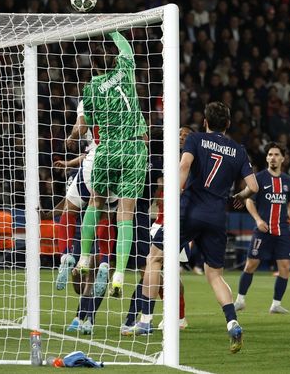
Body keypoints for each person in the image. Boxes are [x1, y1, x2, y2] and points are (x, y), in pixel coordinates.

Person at [125, 102, 258, 354]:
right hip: (217, 217)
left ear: (205, 122)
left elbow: (184, 166)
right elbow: (253, 186)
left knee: (154, 258)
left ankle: (145, 321)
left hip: (189, 211)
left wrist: (174, 196)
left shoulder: (195, 139)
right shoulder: (238, 150)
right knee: (215, 275)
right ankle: (232, 322)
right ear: (228, 124)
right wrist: (239, 196)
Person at [75, 31, 148, 299]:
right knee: (125, 214)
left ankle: (84, 258)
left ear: (94, 65)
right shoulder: (126, 69)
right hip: (134, 148)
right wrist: (113, 28)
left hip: (107, 148)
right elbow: (126, 47)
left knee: (96, 201)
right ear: (115, 60)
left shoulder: (91, 87)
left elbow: (89, 121)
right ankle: (119, 274)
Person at [122, 126, 193, 332]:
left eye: (186, 135)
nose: (181, 137)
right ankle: (146, 318)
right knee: (154, 269)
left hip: (179, 223)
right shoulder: (163, 158)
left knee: (164, 272)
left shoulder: (191, 163)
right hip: (159, 222)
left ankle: (171, 317)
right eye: (179, 134)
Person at [48, 98, 115, 296]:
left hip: (94, 162)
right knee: (106, 217)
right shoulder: (122, 99)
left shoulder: (89, 99)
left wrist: (72, 136)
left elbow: (80, 128)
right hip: (119, 162)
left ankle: (66, 256)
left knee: (69, 211)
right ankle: (105, 262)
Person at [234, 142, 290, 314]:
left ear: (283, 159)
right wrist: (258, 220)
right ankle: (240, 300)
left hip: (282, 231)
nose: (273, 158)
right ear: (266, 158)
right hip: (263, 230)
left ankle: (276, 304)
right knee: (251, 265)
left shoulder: (288, 181)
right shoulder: (259, 178)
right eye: (270, 154)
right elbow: (249, 201)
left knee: (285, 267)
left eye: (276, 155)